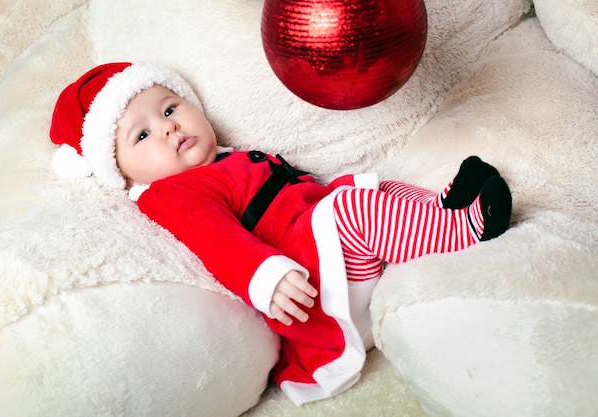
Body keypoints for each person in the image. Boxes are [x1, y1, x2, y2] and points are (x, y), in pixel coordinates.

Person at [49, 62, 512, 405]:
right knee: (354, 209)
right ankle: (461, 229)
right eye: (142, 136)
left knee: (365, 187)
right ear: (123, 174)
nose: (168, 126)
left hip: (329, 243)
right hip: (314, 284)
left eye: (170, 108)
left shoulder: (224, 158)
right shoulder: (168, 194)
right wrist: (262, 275)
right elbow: (213, 240)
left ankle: (437, 211)